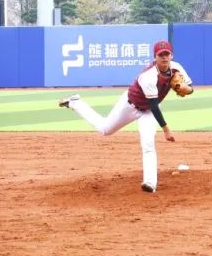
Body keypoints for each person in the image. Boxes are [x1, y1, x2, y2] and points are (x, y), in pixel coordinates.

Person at [59, 40, 194, 193]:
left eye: (167, 54)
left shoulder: (177, 68)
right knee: (105, 130)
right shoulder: (148, 76)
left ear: (171, 55)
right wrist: (166, 129)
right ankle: (76, 103)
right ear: (154, 57)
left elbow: (190, 89)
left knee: (148, 143)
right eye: (160, 55)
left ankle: (150, 183)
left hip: (148, 112)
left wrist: (184, 88)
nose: (164, 57)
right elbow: (154, 104)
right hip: (130, 105)